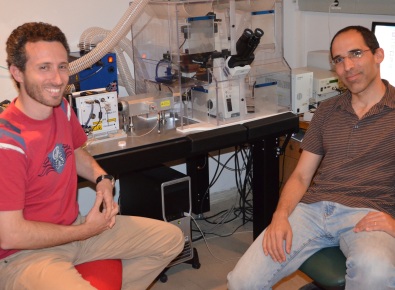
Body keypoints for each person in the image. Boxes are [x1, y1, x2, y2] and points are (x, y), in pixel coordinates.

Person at [0, 22, 184, 290]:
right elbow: (9, 235)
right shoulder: (8, 144)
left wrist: (102, 178)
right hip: (27, 255)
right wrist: (86, 230)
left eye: (62, 66)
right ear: (17, 72)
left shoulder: (60, 107)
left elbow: (74, 151)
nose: (58, 79)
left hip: (75, 230)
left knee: (171, 240)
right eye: (44, 68)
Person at [227, 25, 395, 289]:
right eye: (339, 60)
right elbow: (301, 175)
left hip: (368, 213)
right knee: (241, 281)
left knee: (374, 272)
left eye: (356, 54)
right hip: (313, 210)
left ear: (378, 55)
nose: (348, 66)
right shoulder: (327, 111)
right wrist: (280, 215)